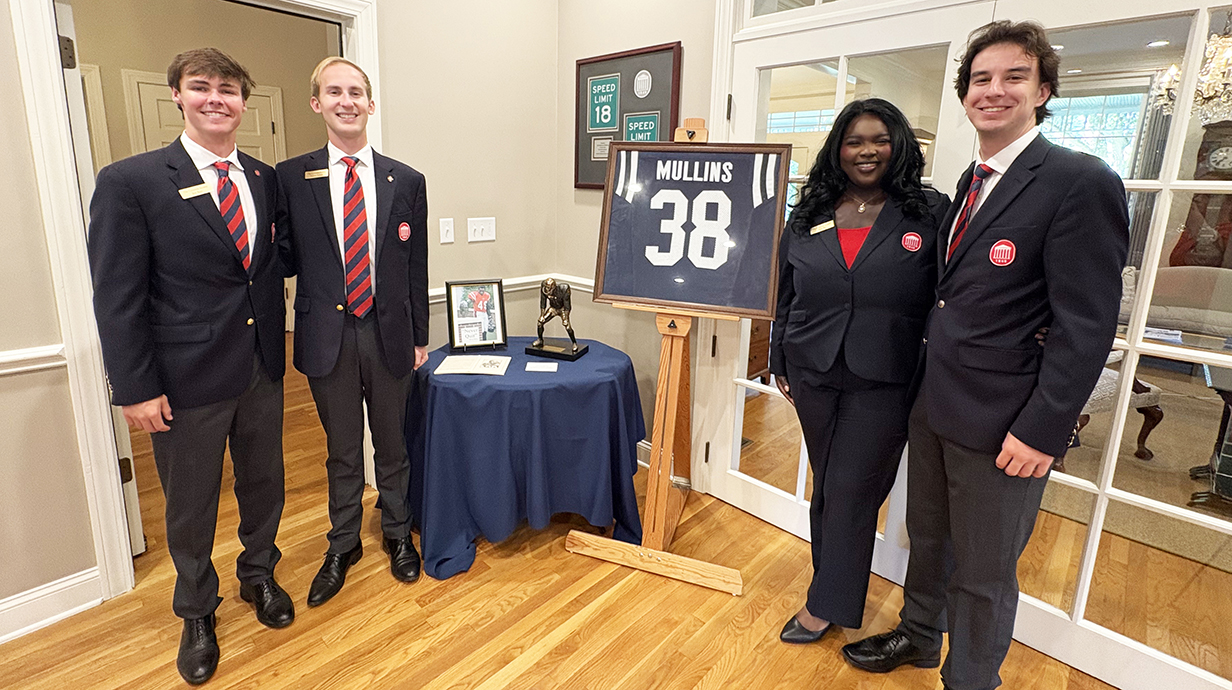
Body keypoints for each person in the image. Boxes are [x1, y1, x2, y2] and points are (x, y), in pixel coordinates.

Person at [841, 21, 1129, 690]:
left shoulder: (1078, 181)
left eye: (1013, 77)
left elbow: (1085, 326)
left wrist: (1043, 429)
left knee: (985, 571)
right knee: (929, 541)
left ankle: (970, 679)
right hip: (937, 406)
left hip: (1007, 426)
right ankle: (917, 639)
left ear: (1043, 90)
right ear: (965, 93)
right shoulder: (971, 181)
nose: (994, 90)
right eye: (981, 79)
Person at [87, 48, 293, 685]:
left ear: (243, 101)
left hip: (261, 368)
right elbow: (117, 295)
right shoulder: (133, 181)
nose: (216, 99)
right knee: (191, 502)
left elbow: (269, 262)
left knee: (264, 485)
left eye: (228, 89)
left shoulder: (264, 178)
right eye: (200, 87)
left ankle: (258, 575)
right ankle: (196, 609)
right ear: (177, 95)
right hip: (184, 379)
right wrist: (135, 387)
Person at [769, 98, 949, 643]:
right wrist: (777, 358)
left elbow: (954, 293)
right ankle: (830, 587)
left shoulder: (930, 211)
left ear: (898, 146)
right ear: (837, 151)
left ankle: (826, 605)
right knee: (829, 485)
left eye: (879, 139)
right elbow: (787, 293)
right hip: (813, 368)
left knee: (851, 488)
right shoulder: (808, 212)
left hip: (887, 374)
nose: (866, 151)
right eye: (854, 141)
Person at [276, 57, 429, 607]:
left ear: (370, 103)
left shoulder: (406, 180)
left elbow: (417, 267)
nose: (346, 101)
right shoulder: (290, 178)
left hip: (388, 335)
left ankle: (396, 532)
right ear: (317, 103)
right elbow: (281, 259)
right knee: (342, 449)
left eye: (356, 92)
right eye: (333, 92)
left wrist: (419, 336)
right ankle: (342, 544)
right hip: (327, 339)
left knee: (391, 445)